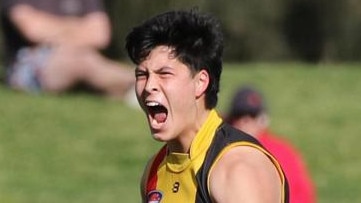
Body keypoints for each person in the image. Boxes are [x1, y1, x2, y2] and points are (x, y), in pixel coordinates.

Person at [125, 9, 289, 202]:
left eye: (164, 74)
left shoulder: (237, 168)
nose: (148, 86)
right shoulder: (154, 171)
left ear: (200, 82)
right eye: (141, 75)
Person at [1, 0, 134, 100]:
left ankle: (133, 86)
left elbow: (100, 35)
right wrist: (79, 27)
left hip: (83, 55)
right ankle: (134, 82)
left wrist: (54, 30)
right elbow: (32, 30)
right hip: (28, 65)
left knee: (82, 58)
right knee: (80, 60)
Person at [225, 85, 316, 203]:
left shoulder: (282, 152)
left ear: (262, 120)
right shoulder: (220, 147)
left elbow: (302, 195)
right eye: (239, 115)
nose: (245, 121)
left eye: (252, 116)